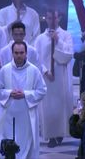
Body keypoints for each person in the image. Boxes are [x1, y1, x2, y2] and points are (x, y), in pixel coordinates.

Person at [0, 41, 47, 159]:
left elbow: (42, 90)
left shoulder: (34, 70)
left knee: (26, 145)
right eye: (16, 53)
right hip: (8, 115)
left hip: (27, 114)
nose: (19, 55)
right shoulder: (5, 70)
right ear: (12, 53)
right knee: (9, 144)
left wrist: (25, 94)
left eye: (21, 53)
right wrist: (9, 93)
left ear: (26, 53)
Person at [34, 9, 73, 147]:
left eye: (55, 18)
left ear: (60, 18)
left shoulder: (66, 35)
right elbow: (36, 58)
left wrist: (58, 41)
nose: (52, 21)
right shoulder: (40, 38)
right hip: (46, 78)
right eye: (49, 18)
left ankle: (60, 133)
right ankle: (50, 135)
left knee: (60, 106)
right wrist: (45, 71)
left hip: (61, 76)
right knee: (48, 107)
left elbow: (68, 54)